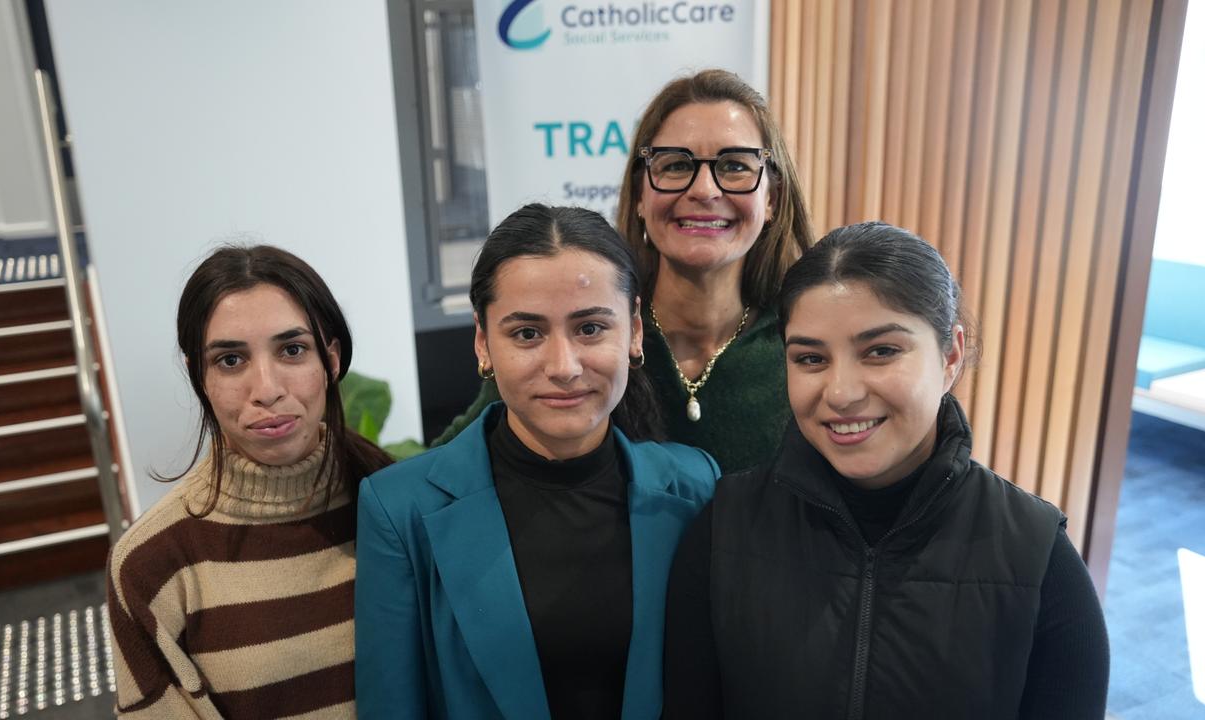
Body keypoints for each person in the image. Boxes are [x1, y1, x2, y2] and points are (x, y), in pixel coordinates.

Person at [663, 222, 1109, 719]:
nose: (841, 393)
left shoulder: (1038, 554)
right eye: (811, 358)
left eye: (881, 351)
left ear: (951, 355)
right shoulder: (723, 528)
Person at [356, 204, 718, 719]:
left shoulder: (695, 485)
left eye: (590, 328)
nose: (564, 367)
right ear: (484, 343)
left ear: (634, 332)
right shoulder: (399, 508)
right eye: (527, 333)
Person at [434, 69, 815, 472]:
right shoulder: (585, 332)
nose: (705, 190)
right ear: (638, 194)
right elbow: (438, 471)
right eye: (675, 166)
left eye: (735, 165)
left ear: (772, 198)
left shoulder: (807, 341)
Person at [106, 245, 392, 718]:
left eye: (293, 350)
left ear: (332, 360)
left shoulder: (391, 499)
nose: (266, 389)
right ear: (198, 374)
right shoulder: (151, 564)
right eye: (230, 360)